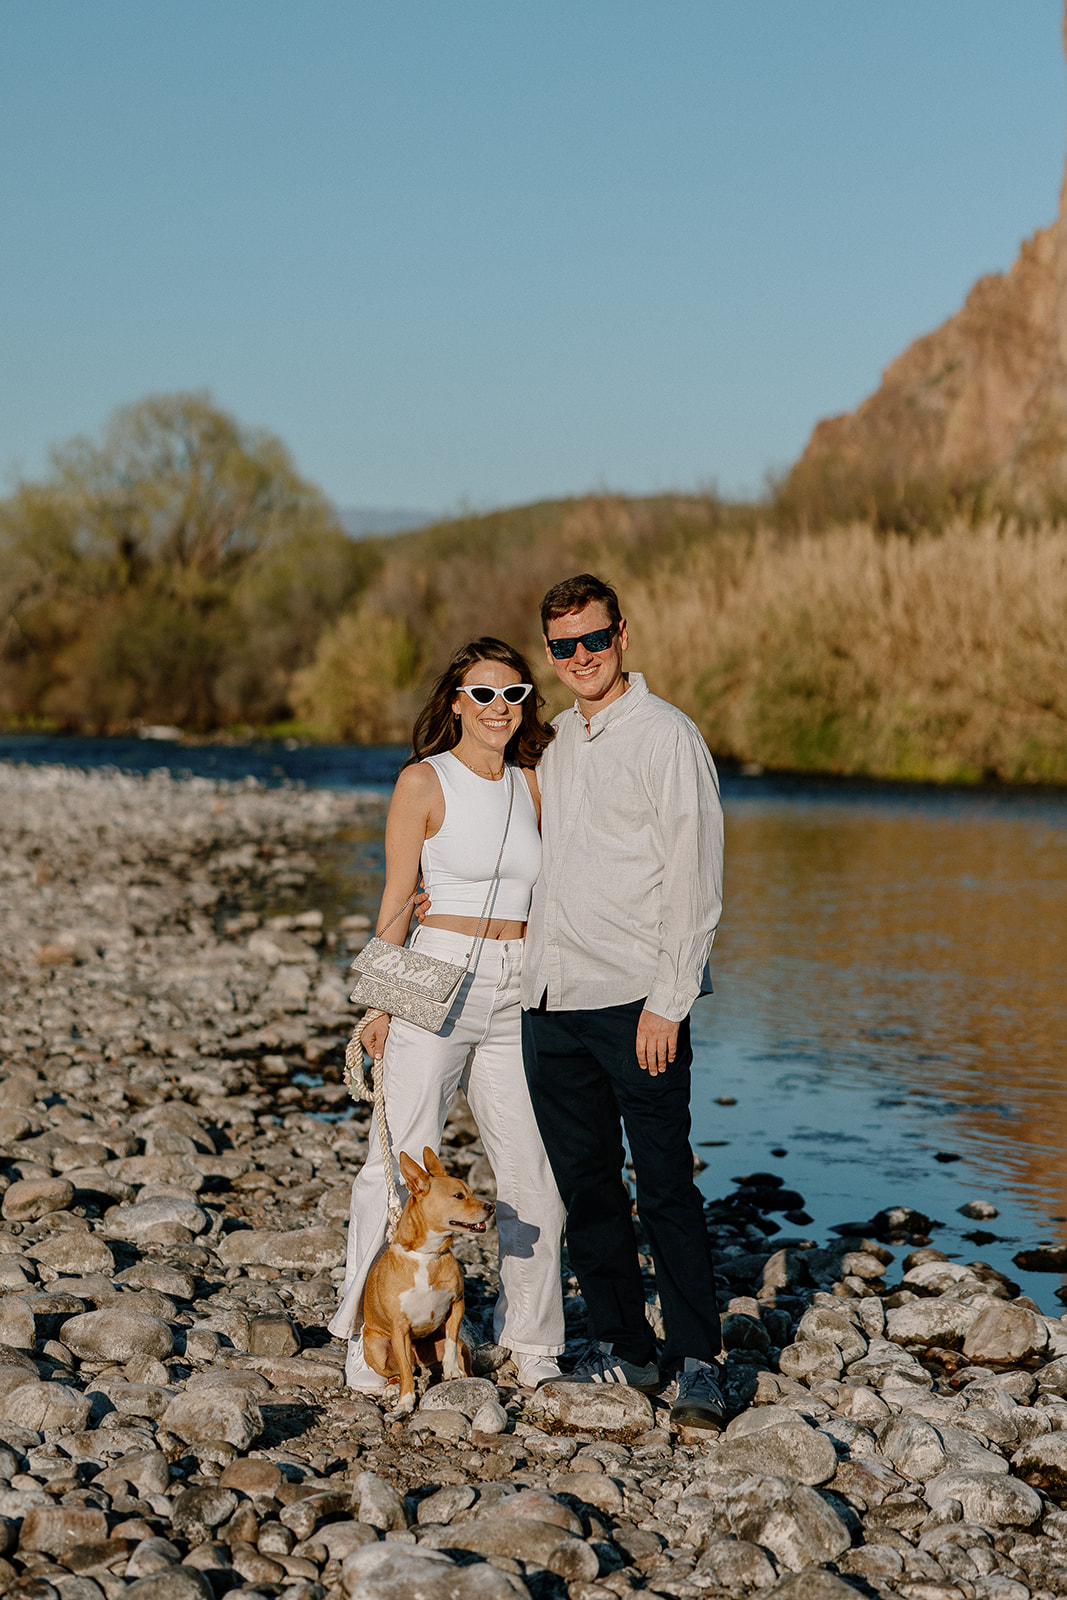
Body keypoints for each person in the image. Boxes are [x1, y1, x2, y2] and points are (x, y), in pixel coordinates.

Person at [329, 637, 567, 1392]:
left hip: (515, 987)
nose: (499, 708)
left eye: (514, 694)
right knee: (399, 1167)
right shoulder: (422, 782)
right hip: (435, 975)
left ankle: (533, 1347)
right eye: (483, 694)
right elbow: (397, 898)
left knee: (533, 1172)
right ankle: (369, 1343)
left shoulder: (534, 783)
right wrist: (378, 1007)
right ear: (456, 702)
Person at [521, 573, 727, 1430]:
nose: (579, 658)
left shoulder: (666, 738)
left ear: (623, 636)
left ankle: (697, 1361)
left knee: (667, 1184)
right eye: (562, 645)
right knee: (588, 1185)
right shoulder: (556, 740)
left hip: (635, 1000)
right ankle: (624, 1349)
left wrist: (669, 1001)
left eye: (592, 640)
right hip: (551, 999)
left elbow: (695, 876)